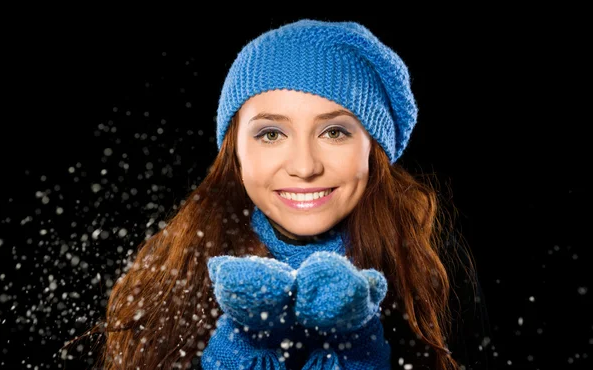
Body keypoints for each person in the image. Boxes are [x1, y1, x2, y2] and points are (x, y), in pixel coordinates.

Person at [80, 19, 494, 369]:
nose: (304, 165)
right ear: (235, 153)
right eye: (271, 134)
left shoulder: (430, 269)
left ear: (373, 150)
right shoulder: (178, 272)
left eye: (335, 132)